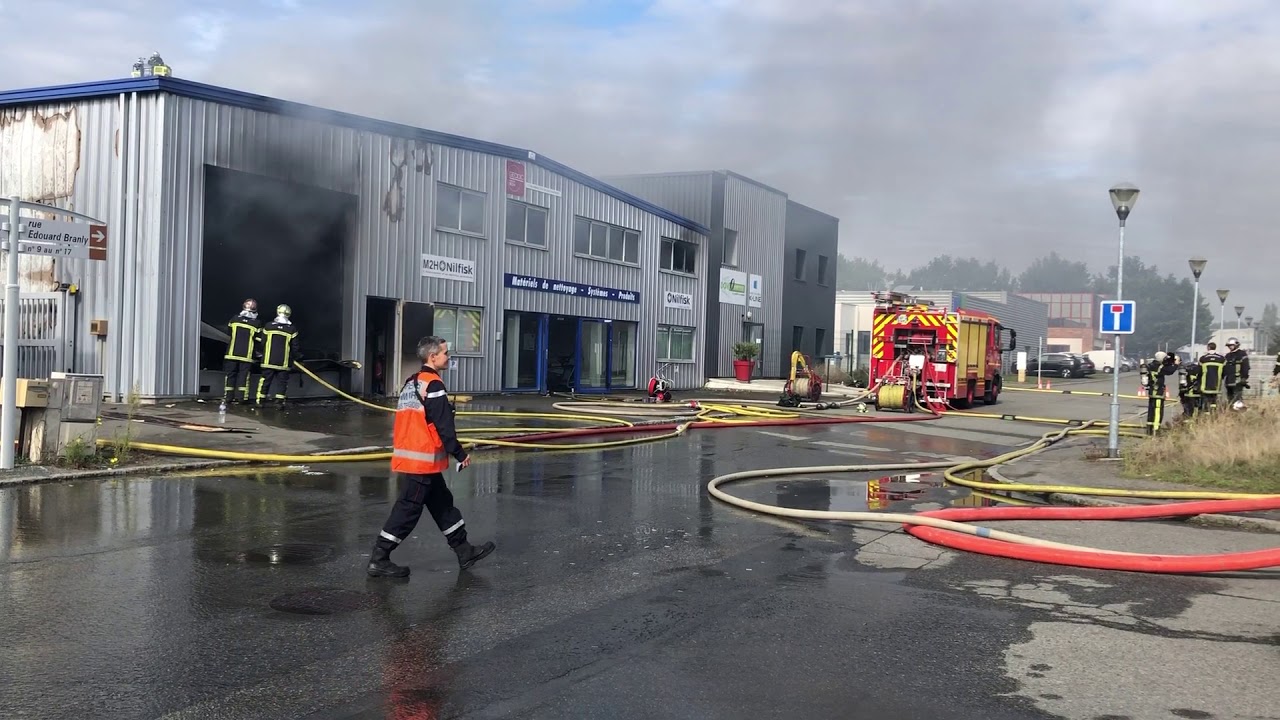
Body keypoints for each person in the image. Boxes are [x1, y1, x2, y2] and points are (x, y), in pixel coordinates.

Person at [367, 335, 495, 578]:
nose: (449, 357)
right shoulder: (433, 385)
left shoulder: (412, 382)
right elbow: (443, 424)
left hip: (419, 459)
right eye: (446, 353)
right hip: (421, 461)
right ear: (432, 357)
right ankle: (379, 557)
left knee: (442, 503)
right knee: (407, 510)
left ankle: (464, 550)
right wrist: (459, 452)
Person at [257, 304, 302, 408]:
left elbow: (262, 342)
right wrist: (296, 357)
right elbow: (295, 347)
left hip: (268, 360)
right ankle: (279, 403)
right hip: (283, 362)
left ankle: (260, 401)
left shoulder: (268, 326)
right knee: (282, 383)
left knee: (265, 381)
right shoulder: (292, 329)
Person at [222, 298, 262, 404]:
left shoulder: (234, 319)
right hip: (247, 355)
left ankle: (228, 397)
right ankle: (242, 398)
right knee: (243, 377)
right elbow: (258, 340)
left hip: (232, 353)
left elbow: (229, 332)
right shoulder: (256, 323)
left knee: (230, 375)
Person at [1142, 351, 1180, 434]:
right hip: (1158, 392)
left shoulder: (1150, 366)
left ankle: (1149, 429)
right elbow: (1170, 371)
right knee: (1158, 411)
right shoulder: (1160, 367)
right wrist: (1176, 364)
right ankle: (1156, 430)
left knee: (1151, 412)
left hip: (1152, 392)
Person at [1222, 337, 1250, 408]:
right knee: (1230, 399)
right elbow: (1224, 368)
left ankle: (1238, 414)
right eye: (1229, 346)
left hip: (1238, 381)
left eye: (1231, 345)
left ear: (1236, 345)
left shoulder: (1242, 354)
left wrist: (1244, 378)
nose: (1230, 347)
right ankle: (1231, 412)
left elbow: (1245, 367)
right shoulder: (1227, 356)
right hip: (1228, 381)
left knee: (1237, 399)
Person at [1198, 342, 1226, 412]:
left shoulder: (1203, 359)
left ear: (1208, 348)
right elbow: (1224, 371)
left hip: (1205, 384)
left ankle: (1206, 414)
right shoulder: (1221, 359)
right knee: (1214, 401)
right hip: (1216, 384)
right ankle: (1214, 414)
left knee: (1206, 401)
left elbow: (1199, 372)